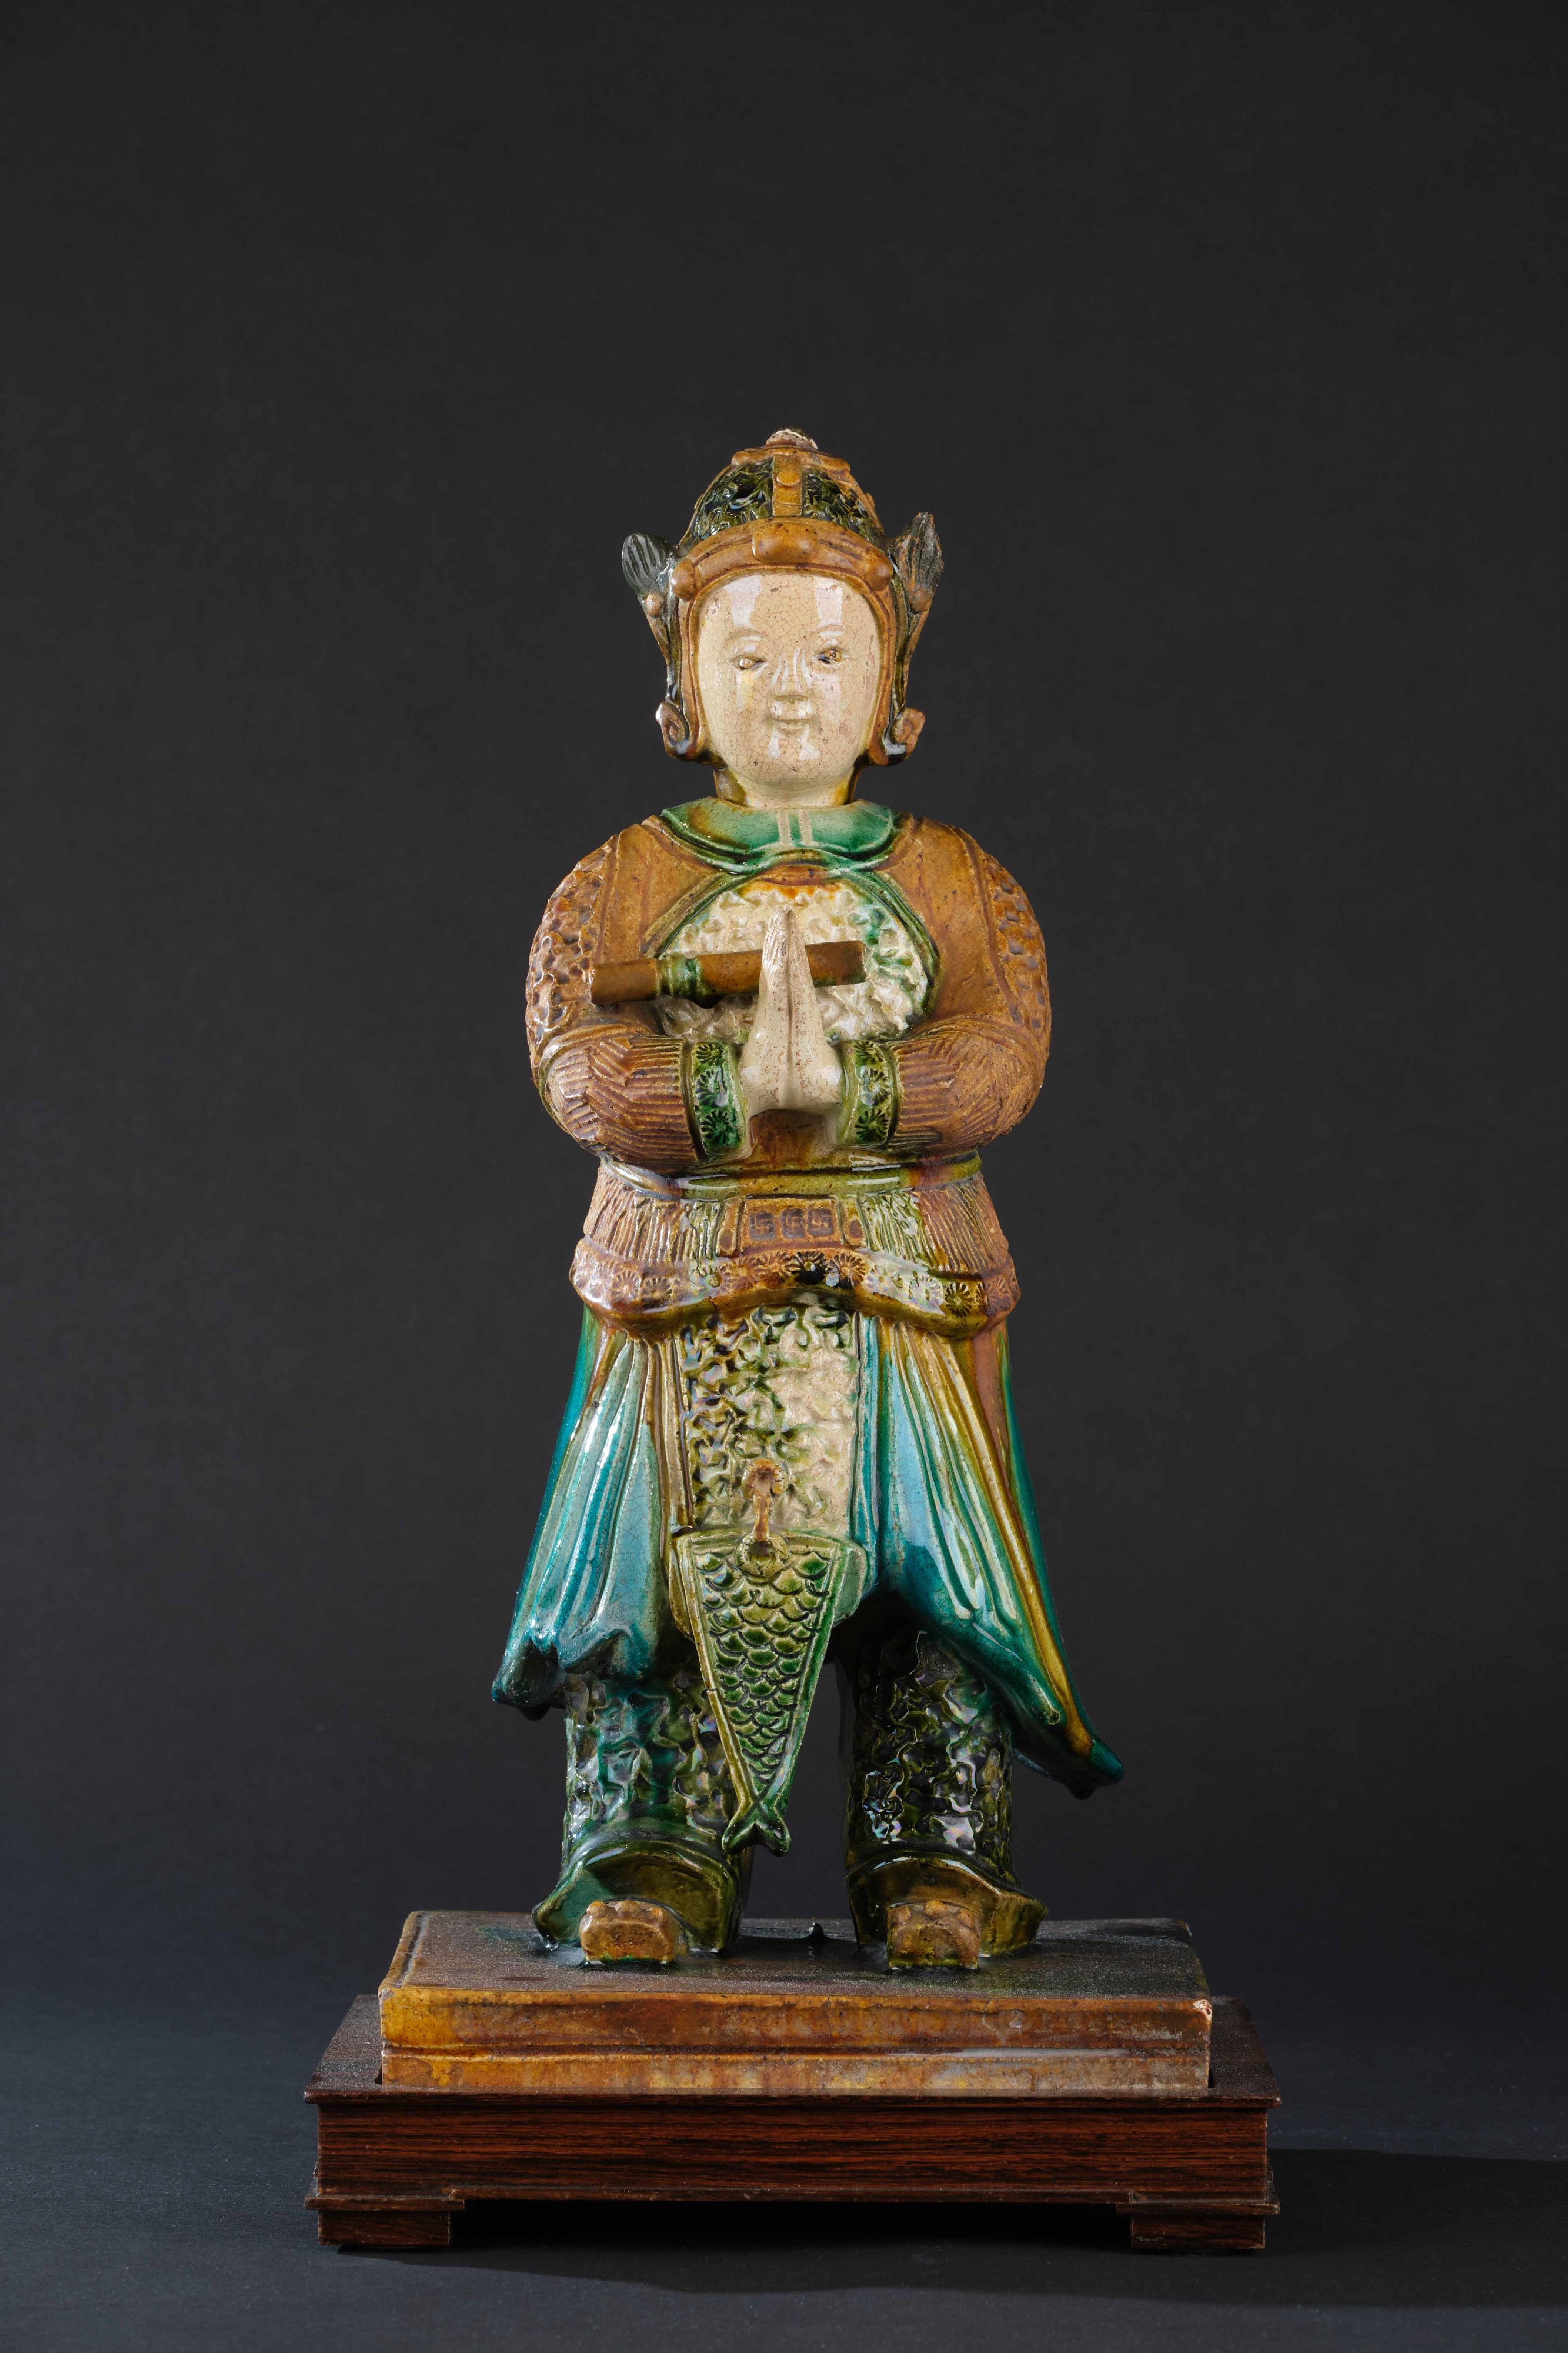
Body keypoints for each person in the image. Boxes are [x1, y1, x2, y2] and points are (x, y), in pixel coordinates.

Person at [493, 430, 1120, 1969]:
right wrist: (724, 1093)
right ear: (681, 688)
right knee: (648, 1594)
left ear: (895, 688)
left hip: (902, 1280)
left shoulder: (961, 882)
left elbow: (1001, 1059)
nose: (790, 688)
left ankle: (934, 1854)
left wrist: (850, 1093)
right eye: (749, 651)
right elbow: (579, 1065)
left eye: (831, 653)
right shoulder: (614, 884)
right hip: (680, 1278)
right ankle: (651, 1847)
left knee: (932, 1598)